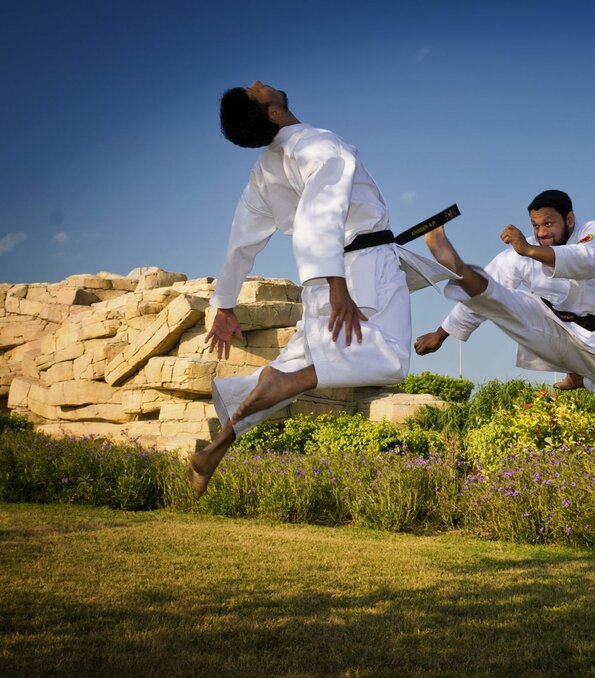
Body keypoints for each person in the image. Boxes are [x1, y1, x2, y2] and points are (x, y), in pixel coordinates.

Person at [187, 81, 452, 498]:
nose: (258, 82)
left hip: (322, 280)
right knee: (389, 358)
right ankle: (292, 381)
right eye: (255, 91)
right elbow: (319, 215)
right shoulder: (320, 145)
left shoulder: (264, 171)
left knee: (294, 362)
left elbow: (242, 240)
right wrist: (337, 284)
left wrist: (224, 304)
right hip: (357, 273)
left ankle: (215, 449)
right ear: (273, 112)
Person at [415, 189, 595, 421]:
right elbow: (497, 277)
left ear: (569, 219)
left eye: (548, 223)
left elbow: (587, 260)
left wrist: (528, 250)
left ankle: (583, 379)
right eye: (535, 225)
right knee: (503, 301)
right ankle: (460, 269)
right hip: (549, 326)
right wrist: (440, 334)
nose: (541, 233)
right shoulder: (520, 253)